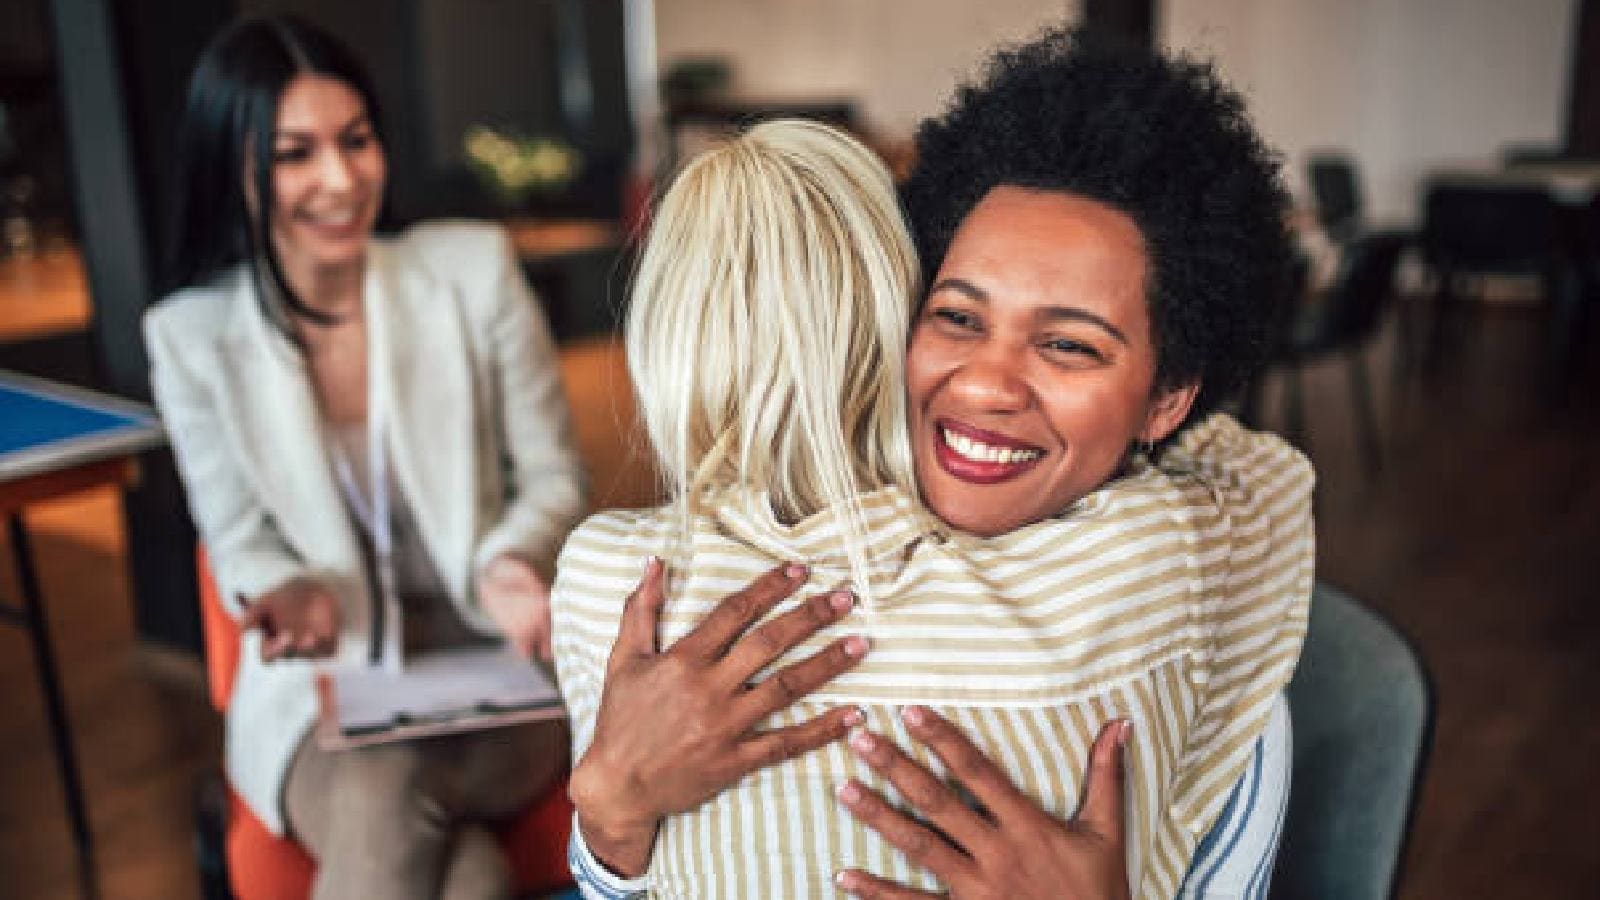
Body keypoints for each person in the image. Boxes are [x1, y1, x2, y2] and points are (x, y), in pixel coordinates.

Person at [552, 72, 1310, 900]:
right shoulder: (716, 607)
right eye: (957, 317)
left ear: (1168, 399)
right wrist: (610, 826)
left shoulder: (1212, 662)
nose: (987, 385)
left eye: (1069, 347)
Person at [143, 16, 585, 900]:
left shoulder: (473, 271)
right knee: (467, 879)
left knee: (389, 786)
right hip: (323, 689)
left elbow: (554, 478)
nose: (341, 180)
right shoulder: (190, 338)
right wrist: (288, 589)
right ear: (231, 166)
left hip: (489, 665)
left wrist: (509, 560)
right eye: (294, 154)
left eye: (356, 141)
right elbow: (238, 538)